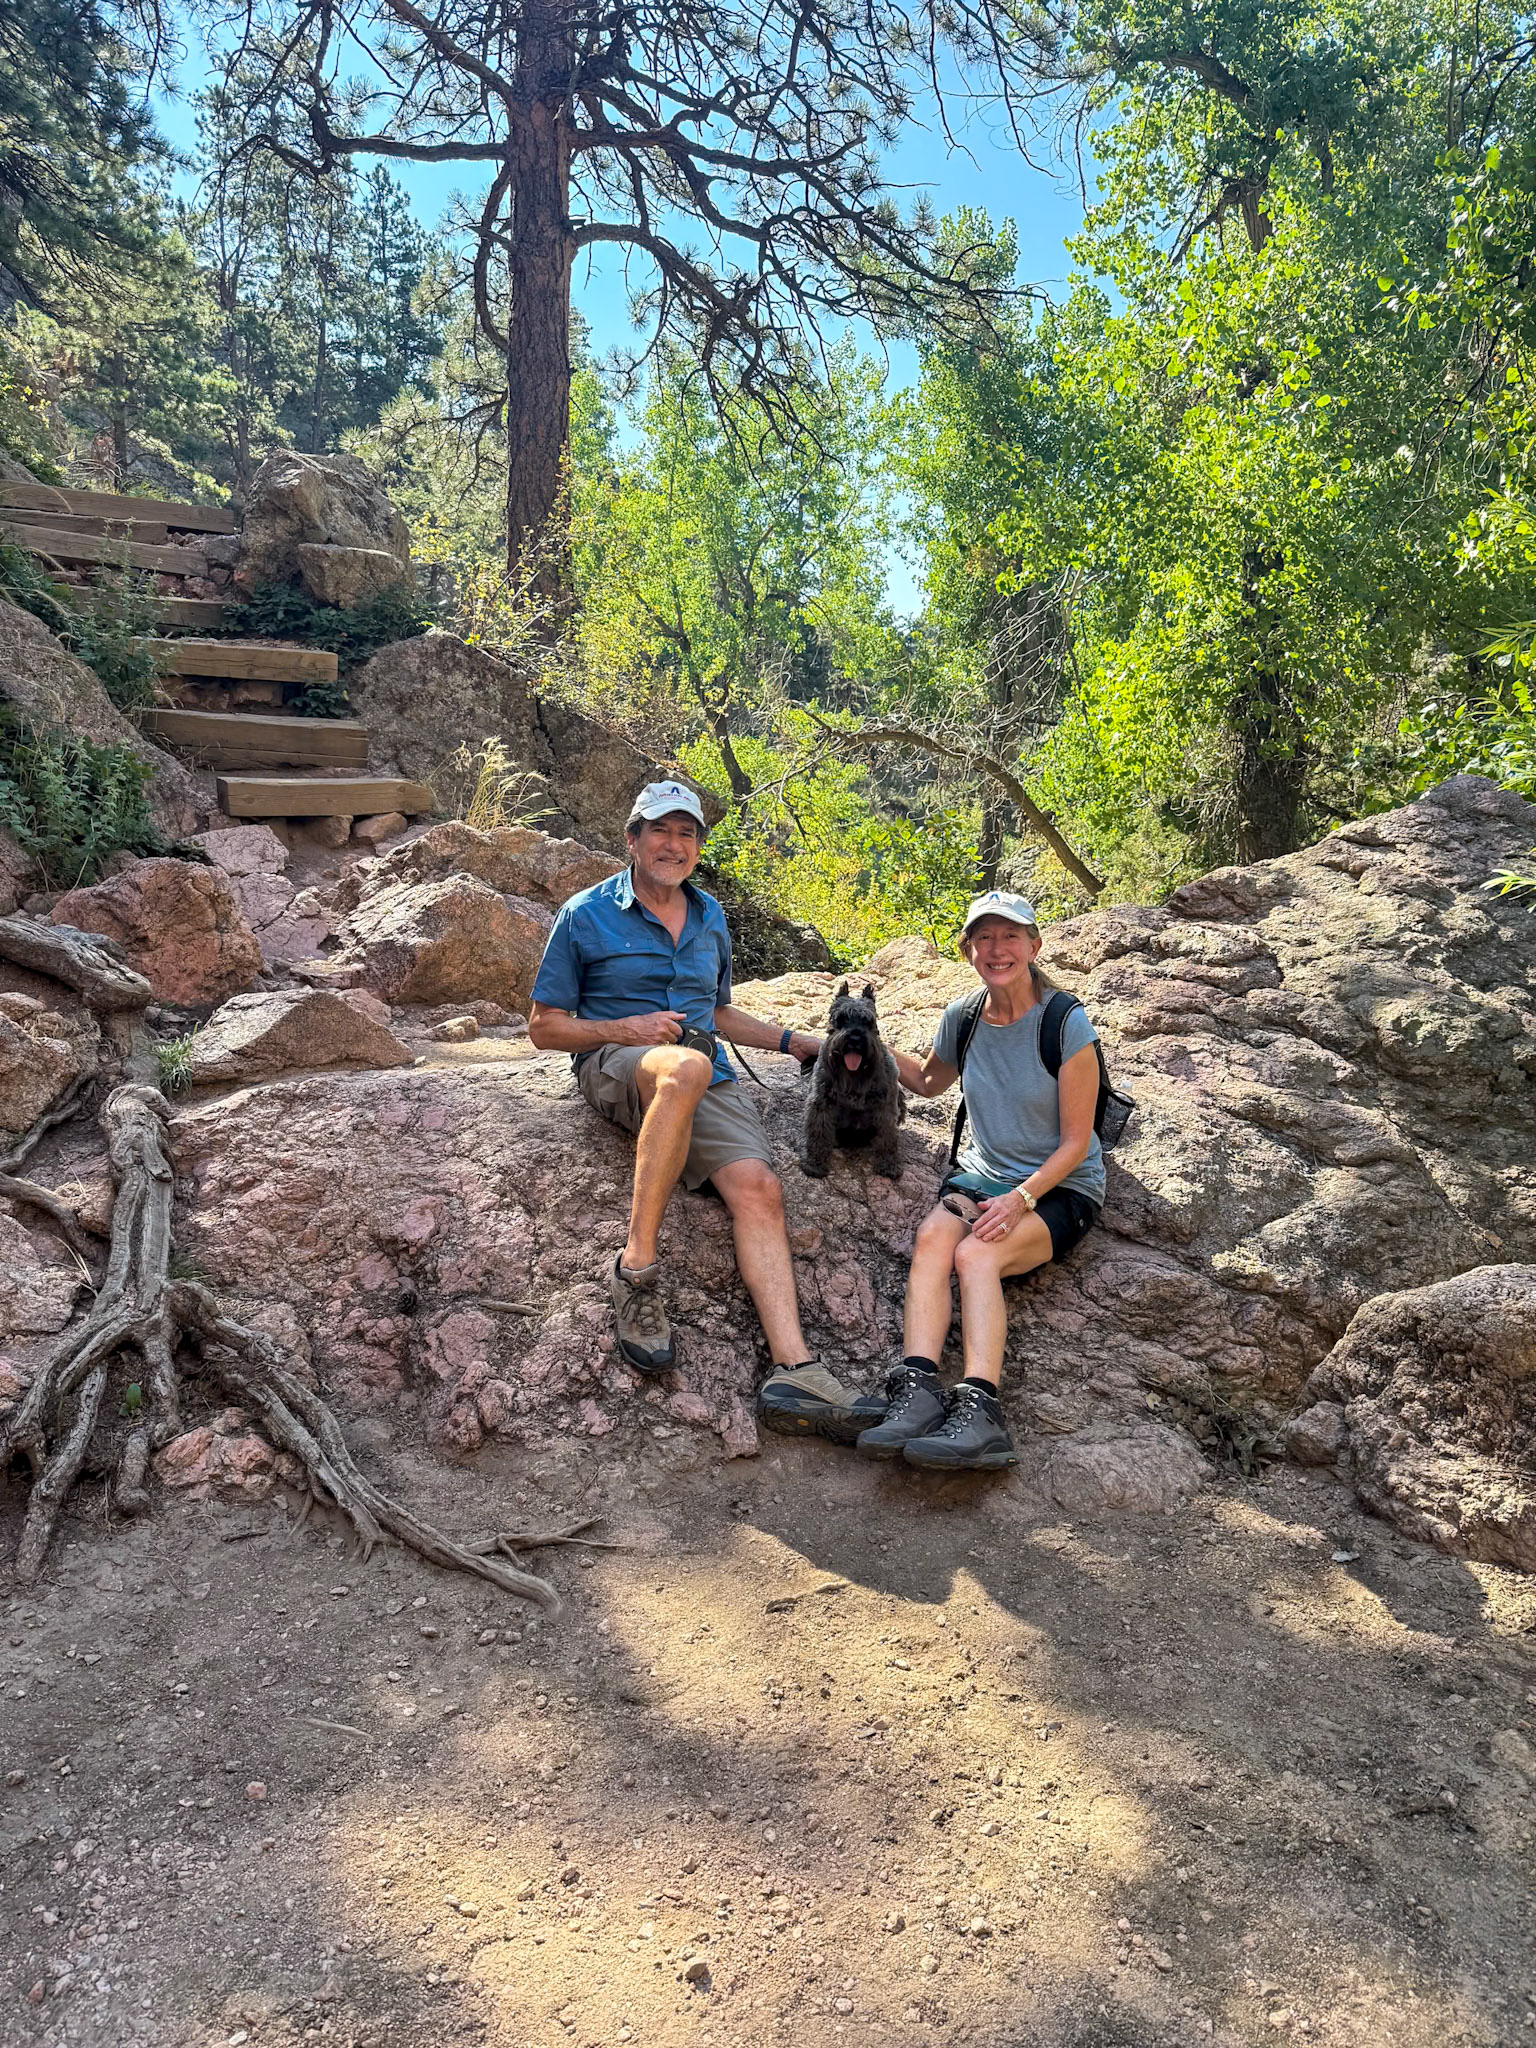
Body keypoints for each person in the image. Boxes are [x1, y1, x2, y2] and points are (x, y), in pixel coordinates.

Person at [527, 780, 866, 1441]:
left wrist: (802, 1043)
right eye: (660, 831)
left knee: (760, 1187)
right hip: (617, 1064)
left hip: (697, 1071)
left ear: (697, 847)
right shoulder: (585, 914)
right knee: (683, 1066)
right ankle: (636, 1270)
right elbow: (544, 1027)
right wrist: (622, 1030)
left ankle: (794, 1372)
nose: (673, 845)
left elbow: (715, 1011)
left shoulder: (709, 915)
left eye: (687, 834)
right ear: (632, 840)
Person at [858, 890, 1105, 1471]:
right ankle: (917, 1392)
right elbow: (925, 1081)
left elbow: (1077, 1141)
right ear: (968, 949)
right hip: (985, 1175)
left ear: (1034, 945)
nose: (997, 949)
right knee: (931, 1241)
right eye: (984, 938)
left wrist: (1022, 1200)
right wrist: (864, 1042)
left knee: (975, 1257)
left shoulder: (1065, 1021)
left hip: (1060, 1186)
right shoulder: (964, 1017)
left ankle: (981, 1410)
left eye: (1010, 936)